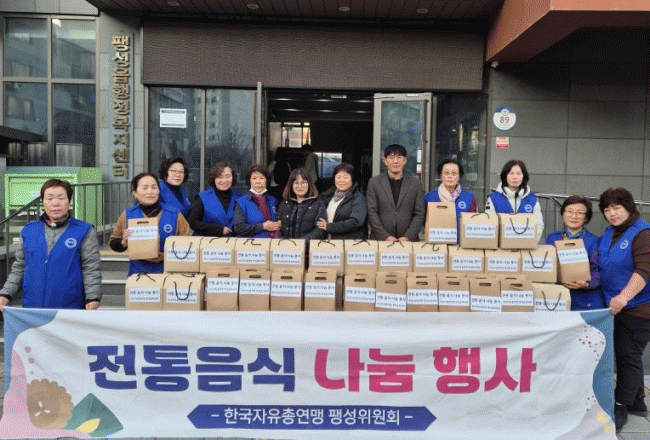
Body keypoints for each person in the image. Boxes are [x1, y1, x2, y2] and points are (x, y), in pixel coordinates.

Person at [0, 179, 101, 310]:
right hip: (32, 306)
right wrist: (6, 293)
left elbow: (91, 267)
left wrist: (93, 297)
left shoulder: (84, 230)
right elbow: (19, 267)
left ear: (69, 201)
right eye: (49, 198)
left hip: (70, 307)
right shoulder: (29, 231)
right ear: (43, 202)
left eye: (61, 198)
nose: (55, 203)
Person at [597, 188, 650, 432]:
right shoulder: (609, 232)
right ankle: (638, 401)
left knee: (628, 357)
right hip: (614, 307)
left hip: (637, 308)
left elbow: (644, 271)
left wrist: (624, 297)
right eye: (607, 209)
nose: (612, 213)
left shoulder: (643, 233)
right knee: (626, 354)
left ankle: (620, 406)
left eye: (617, 208)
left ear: (629, 208)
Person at [110, 172, 191, 275]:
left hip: (168, 270)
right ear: (134, 193)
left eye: (154, 187)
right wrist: (123, 243)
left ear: (159, 190)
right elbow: (113, 241)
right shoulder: (128, 214)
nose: (150, 192)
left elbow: (188, 242)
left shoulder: (174, 213)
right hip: (138, 271)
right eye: (145, 188)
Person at [544, 195, 603, 310]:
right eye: (570, 211)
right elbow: (545, 266)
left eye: (579, 213)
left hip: (584, 300)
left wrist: (586, 284)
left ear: (586, 218)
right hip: (557, 299)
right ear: (563, 214)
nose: (574, 216)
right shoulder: (552, 238)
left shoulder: (594, 241)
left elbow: (598, 271)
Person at [366, 144, 425, 242]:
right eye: (391, 158)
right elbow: (371, 212)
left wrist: (407, 237)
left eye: (399, 157)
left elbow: (419, 213)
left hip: (408, 241)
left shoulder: (415, 184)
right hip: (380, 240)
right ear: (385, 161)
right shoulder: (374, 182)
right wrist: (385, 236)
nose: (395, 161)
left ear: (405, 160)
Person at [485, 159, 544, 240]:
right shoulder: (493, 198)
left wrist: (531, 243)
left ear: (524, 176)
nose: (515, 177)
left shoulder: (532, 199)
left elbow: (539, 225)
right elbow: (489, 224)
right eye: (511, 173)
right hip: (501, 246)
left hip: (526, 245)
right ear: (505, 176)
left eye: (518, 174)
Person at [188, 162, 240, 236]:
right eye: (220, 177)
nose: (224, 181)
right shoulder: (203, 197)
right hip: (206, 241)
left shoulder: (239, 199)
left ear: (233, 178)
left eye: (228, 176)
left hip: (232, 242)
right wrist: (218, 230)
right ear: (214, 178)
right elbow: (192, 222)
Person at [317, 163, 368, 239]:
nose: (341, 180)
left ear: (352, 179)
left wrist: (329, 227)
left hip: (349, 243)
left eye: (345, 177)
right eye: (338, 177)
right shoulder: (327, 196)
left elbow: (356, 222)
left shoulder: (358, 198)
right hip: (328, 241)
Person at [277, 168, 326, 240]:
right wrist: (284, 242)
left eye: (303, 182)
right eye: (296, 183)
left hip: (308, 246)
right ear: (291, 185)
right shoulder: (284, 203)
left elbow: (320, 230)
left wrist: (301, 242)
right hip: (285, 246)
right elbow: (277, 227)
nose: (300, 186)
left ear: (309, 184)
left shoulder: (318, 203)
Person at [233, 164, 281, 238]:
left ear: (266, 180)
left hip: (272, 242)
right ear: (249, 181)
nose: (258, 182)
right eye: (254, 178)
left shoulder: (273, 200)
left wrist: (280, 224)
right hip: (251, 243)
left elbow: (279, 220)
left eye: (261, 178)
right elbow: (238, 228)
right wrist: (263, 226)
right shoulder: (241, 202)